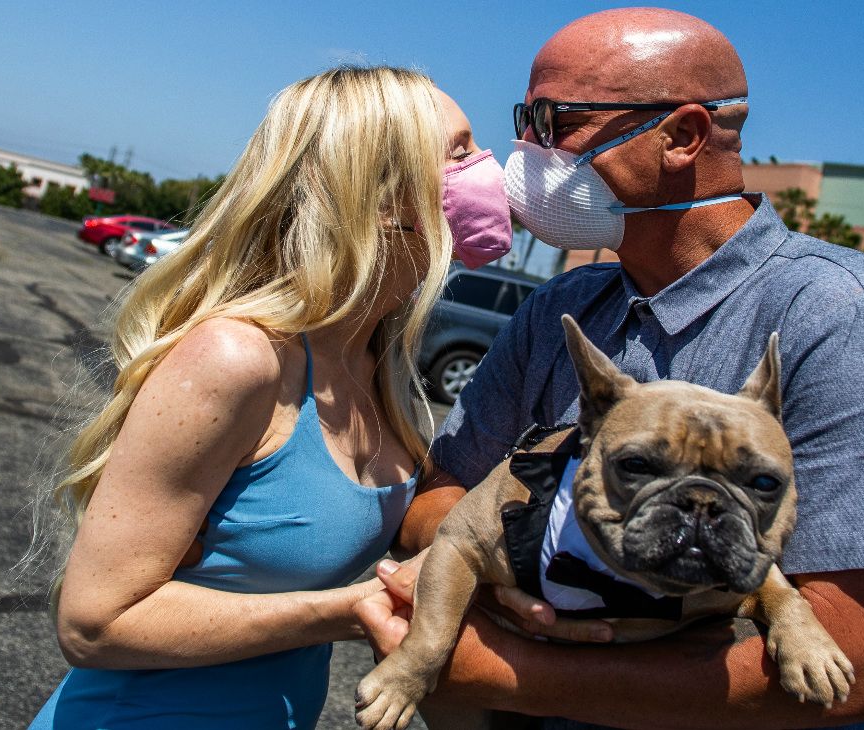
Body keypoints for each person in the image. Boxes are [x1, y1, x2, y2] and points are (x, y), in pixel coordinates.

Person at [356, 8, 864, 730]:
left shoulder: (852, 320)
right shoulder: (564, 307)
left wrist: (502, 671)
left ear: (681, 136)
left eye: (555, 121)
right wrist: (508, 572)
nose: (526, 150)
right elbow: (440, 497)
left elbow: (858, 662)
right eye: (526, 119)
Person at [27, 65, 511, 729]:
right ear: (375, 191)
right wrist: (349, 609)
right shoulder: (237, 357)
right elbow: (94, 623)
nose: (487, 168)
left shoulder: (372, 362)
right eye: (458, 150)